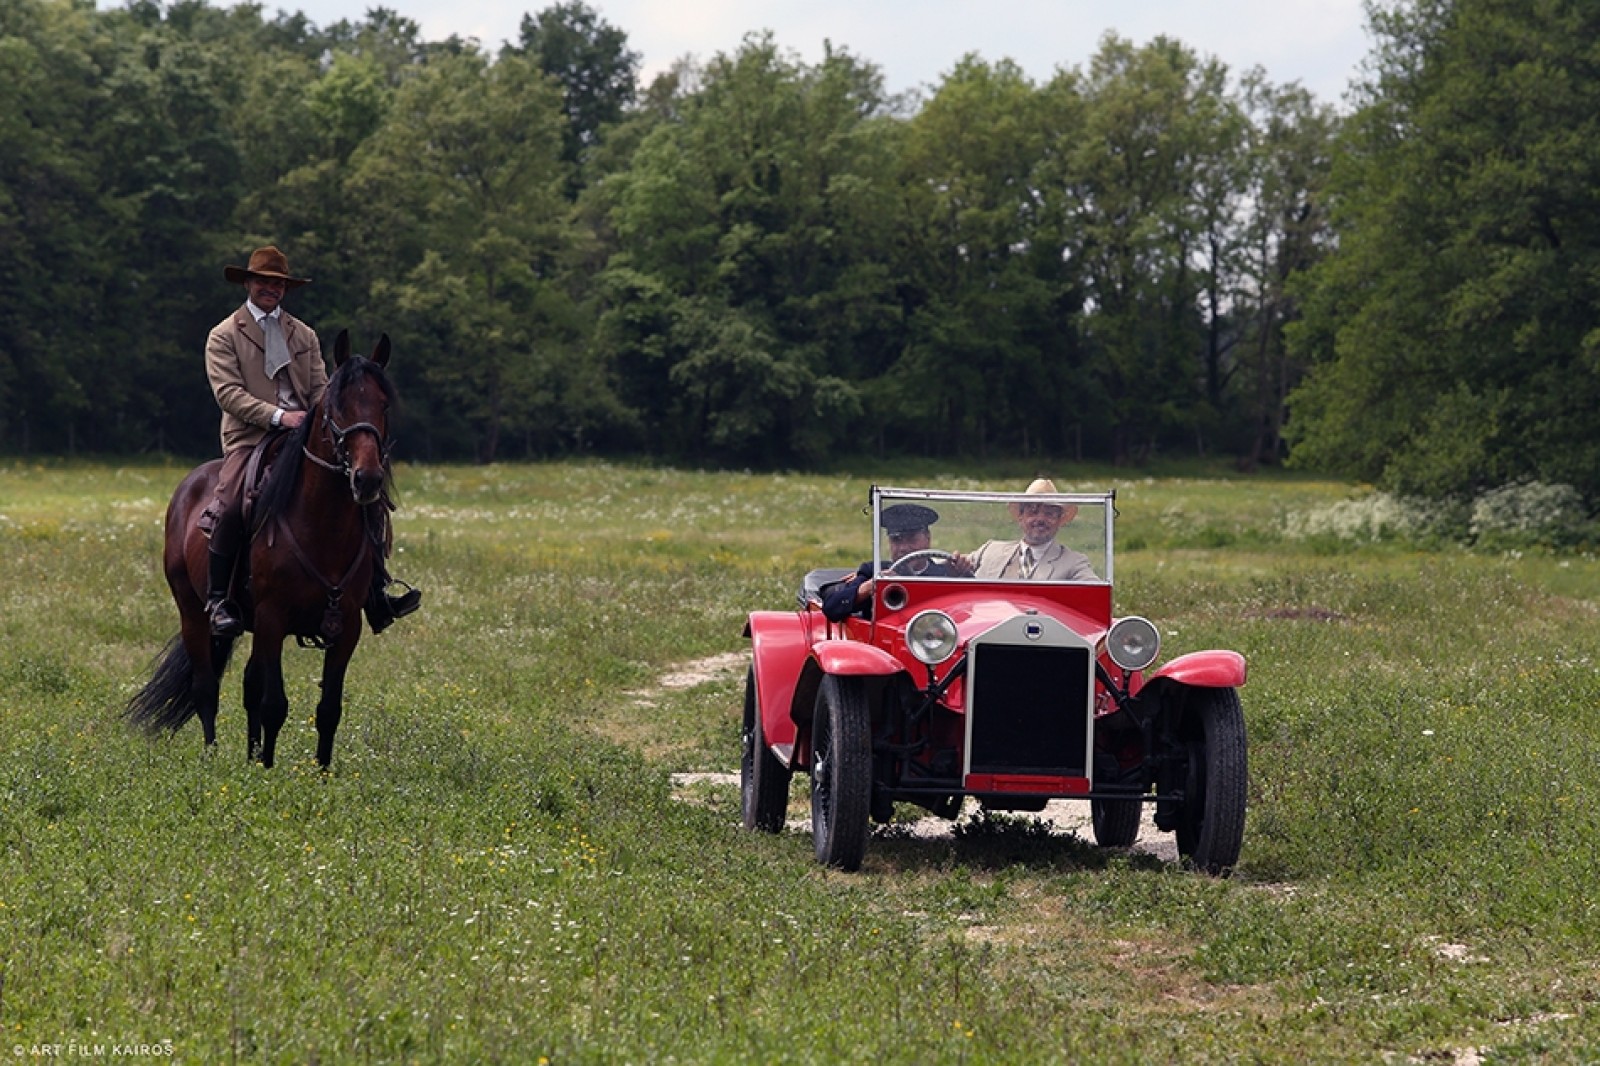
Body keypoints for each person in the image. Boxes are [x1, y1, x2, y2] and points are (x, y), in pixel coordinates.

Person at [200, 245, 420, 637]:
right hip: (251, 437)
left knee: (368, 498)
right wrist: (279, 416)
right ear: (248, 283)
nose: (272, 288)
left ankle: (376, 591)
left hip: (307, 434)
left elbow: (321, 388)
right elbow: (228, 393)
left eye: (279, 283)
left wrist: (327, 419)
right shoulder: (224, 335)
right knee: (232, 503)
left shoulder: (303, 334)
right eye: (264, 281)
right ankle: (219, 600)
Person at [822, 503, 971, 621]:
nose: (904, 548)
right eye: (896, 540)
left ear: (927, 538)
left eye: (912, 539)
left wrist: (961, 575)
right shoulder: (874, 571)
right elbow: (831, 608)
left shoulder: (946, 573)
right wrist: (870, 586)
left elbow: (973, 613)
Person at [956, 477, 1098, 581]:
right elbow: (952, 569)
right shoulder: (990, 550)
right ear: (1021, 517)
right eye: (1033, 511)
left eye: (1049, 513)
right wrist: (957, 565)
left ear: (1059, 520)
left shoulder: (1074, 563)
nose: (1040, 519)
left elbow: (1096, 594)